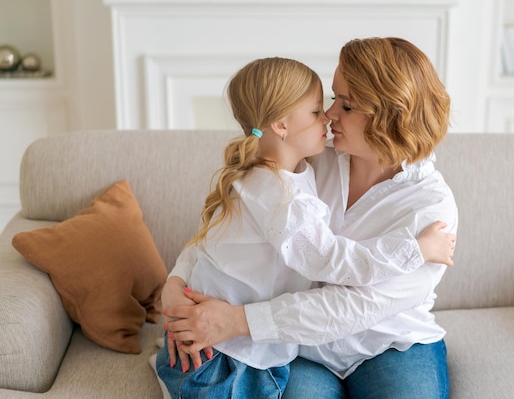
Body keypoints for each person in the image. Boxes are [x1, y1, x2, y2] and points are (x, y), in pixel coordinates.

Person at [155, 55, 456, 399]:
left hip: (388, 342)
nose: (329, 115)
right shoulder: (301, 165)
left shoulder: (431, 205)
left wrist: (237, 320)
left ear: (386, 115)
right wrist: (175, 283)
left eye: (345, 104)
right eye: (326, 103)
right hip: (288, 345)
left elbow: (355, 306)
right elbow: (220, 237)